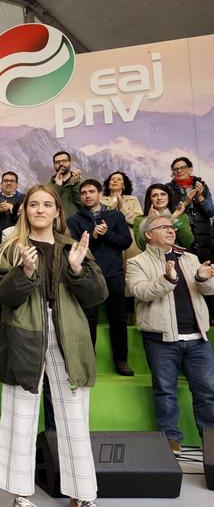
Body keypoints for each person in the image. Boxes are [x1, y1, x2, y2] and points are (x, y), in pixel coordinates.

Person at [0, 185, 107, 507]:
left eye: (47, 204)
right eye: (33, 204)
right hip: (24, 337)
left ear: (57, 212)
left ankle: (82, 495)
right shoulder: (10, 247)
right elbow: (0, 295)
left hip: (71, 337)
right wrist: (24, 272)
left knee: (75, 418)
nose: (40, 209)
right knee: (20, 415)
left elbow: (97, 297)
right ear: (24, 210)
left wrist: (79, 269)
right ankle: (20, 494)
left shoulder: (74, 247)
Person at [126, 213, 214, 455]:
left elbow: (208, 289)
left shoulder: (191, 257)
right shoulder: (137, 262)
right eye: (163, 227)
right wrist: (167, 279)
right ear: (148, 235)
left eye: (172, 227)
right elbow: (140, 291)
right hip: (161, 340)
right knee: (165, 391)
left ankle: (211, 441)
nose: (171, 230)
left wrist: (202, 278)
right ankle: (170, 440)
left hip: (197, 339)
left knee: (208, 392)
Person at [67, 180, 134, 376]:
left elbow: (126, 242)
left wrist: (107, 235)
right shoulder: (75, 220)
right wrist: (93, 237)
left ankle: (121, 360)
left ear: (100, 194)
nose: (87, 195)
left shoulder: (115, 215)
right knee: (89, 319)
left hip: (114, 274)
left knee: (118, 318)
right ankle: (89, 361)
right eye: (84, 192)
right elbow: (74, 249)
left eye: (91, 191)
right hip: (88, 274)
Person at [0, 172, 24, 325]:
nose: (8, 183)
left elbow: (27, 218)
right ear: (1, 184)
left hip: (19, 244)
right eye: (5, 181)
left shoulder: (23, 199)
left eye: (12, 181)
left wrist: (14, 209)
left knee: (18, 277)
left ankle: (17, 313)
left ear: (17, 184)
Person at [167, 157, 214, 262]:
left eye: (182, 167)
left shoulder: (202, 186)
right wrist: (187, 201)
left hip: (203, 237)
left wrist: (201, 197)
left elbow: (211, 212)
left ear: (190, 169)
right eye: (175, 169)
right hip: (180, 235)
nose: (179, 171)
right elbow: (170, 215)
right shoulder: (168, 189)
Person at [133, 184, 194, 252]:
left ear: (168, 197)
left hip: (176, 258)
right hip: (152, 259)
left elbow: (188, 241)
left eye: (163, 194)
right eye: (154, 195)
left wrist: (173, 219)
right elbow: (141, 245)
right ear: (150, 199)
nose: (159, 198)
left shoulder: (180, 217)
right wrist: (150, 221)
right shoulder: (140, 220)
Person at [46, 151, 82, 219]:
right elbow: (48, 205)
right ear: (54, 165)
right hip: (55, 225)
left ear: (70, 163)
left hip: (75, 226)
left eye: (64, 161)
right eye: (57, 162)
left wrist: (74, 184)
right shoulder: (47, 186)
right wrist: (57, 187)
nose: (61, 164)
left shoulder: (80, 183)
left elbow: (82, 204)